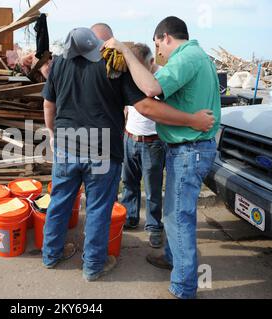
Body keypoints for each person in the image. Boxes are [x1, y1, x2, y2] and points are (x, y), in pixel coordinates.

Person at [41, 27, 215, 282]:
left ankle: (50, 255)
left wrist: (53, 133)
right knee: (98, 210)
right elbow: (145, 106)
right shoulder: (114, 64)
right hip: (102, 150)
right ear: (104, 40)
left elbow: (49, 103)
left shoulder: (60, 63)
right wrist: (191, 120)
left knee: (59, 201)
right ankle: (92, 267)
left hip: (67, 145)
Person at [104, 16, 221, 298]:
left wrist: (126, 52)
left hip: (189, 150)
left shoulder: (186, 56)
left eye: (158, 46)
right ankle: (172, 257)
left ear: (165, 37)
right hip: (190, 148)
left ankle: (183, 287)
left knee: (177, 216)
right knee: (177, 212)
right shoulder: (198, 56)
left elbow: (152, 89)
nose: (159, 54)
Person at [121, 43, 165, 250]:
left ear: (152, 62)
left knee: (153, 188)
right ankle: (130, 217)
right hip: (130, 138)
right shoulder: (131, 74)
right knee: (129, 182)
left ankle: (155, 227)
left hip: (153, 142)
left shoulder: (163, 79)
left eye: (140, 67)